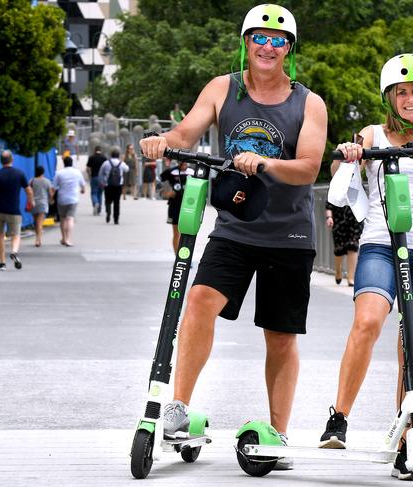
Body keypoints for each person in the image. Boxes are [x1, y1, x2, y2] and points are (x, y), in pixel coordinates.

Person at [140, 4, 327, 471]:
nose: (268, 46)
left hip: (289, 233)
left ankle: (278, 433)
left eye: (278, 40)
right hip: (235, 228)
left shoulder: (309, 103)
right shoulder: (224, 88)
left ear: (289, 49)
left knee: (280, 336)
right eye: (258, 37)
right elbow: (188, 129)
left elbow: (308, 168)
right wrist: (164, 139)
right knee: (200, 298)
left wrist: (262, 163)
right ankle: (178, 409)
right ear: (245, 42)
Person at [317, 53, 413, 481]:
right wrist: (351, 152)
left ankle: (403, 440)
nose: (410, 99)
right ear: (389, 97)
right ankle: (338, 417)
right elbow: (349, 164)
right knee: (368, 322)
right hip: (380, 243)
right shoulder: (373, 132)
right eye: (402, 92)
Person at [0, 150, 34, 270]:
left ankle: (2, 263)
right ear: (12, 160)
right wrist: (31, 201)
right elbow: (28, 190)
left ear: (1, 161)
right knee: (16, 235)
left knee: (0, 236)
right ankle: (14, 252)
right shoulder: (19, 174)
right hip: (14, 211)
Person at [159, 160, 195, 254]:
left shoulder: (193, 171)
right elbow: (159, 180)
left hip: (189, 206)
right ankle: (177, 258)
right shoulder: (172, 171)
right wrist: (165, 193)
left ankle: (185, 257)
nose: (184, 164)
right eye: (181, 162)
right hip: (175, 205)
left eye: (185, 162)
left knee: (187, 234)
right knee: (176, 233)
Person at [325, 202, 363, 286]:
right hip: (338, 219)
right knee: (339, 249)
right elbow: (329, 204)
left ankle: (351, 277)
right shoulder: (335, 188)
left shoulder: (359, 187)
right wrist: (329, 217)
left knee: (353, 246)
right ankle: (338, 271)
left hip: (355, 219)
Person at [52, 156, 86, 246]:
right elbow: (83, 184)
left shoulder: (59, 173)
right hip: (73, 199)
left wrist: (51, 197)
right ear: (72, 163)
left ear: (64, 163)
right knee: (70, 219)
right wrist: (83, 190)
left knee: (62, 219)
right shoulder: (77, 172)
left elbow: (54, 187)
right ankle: (68, 239)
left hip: (62, 199)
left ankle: (63, 238)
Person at [98, 147, 129, 224]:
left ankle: (108, 212)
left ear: (111, 155)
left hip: (108, 185)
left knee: (108, 200)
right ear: (118, 156)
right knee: (116, 202)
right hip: (118, 185)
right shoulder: (121, 163)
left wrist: (101, 182)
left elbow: (100, 173)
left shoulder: (106, 163)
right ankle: (116, 219)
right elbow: (127, 169)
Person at [30, 165, 54, 247]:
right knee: (39, 223)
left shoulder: (32, 181)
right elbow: (50, 193)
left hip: (33, 204)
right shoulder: (47, 181)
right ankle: (38, 240)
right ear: (43, 172)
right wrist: (51, 200)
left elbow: (29, 192)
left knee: (36, 223)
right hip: (43, 204)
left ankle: (37, 238)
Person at [86, 145, 107, 215]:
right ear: (101, 150)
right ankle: (99, 209)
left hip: (94, 177)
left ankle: (95, 203)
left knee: (94, 192)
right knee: (100, 194)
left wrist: (89, 175)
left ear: (94, 150)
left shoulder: (91, 157)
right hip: (102, 179)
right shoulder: (104, 158)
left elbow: (88, 168)